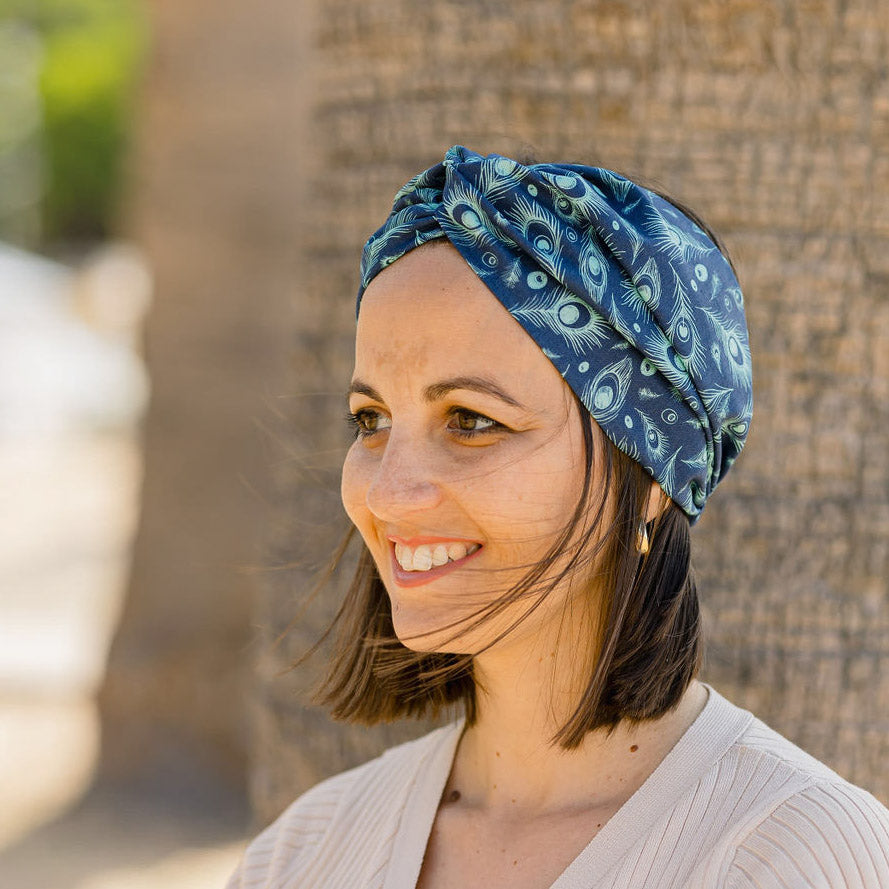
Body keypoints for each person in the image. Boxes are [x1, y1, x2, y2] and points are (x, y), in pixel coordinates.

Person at [227, 146, 889, 889]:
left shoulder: (786, 856)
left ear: (650, 480)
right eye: (371, 419)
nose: (386, 494)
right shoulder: (308, 851)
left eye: (471, 421)